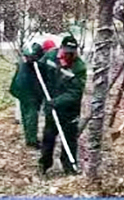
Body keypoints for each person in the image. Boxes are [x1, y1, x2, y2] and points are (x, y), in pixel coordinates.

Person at [37, 35, 86, 175]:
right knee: (48, 137)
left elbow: (75, 92)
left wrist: (57, 102)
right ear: (61, 48)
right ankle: (44, 165)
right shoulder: (51, 56)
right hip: (51, 108)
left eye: (72, 51)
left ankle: (69, 167)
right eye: (66, 51)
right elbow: (39, 67)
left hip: (69, 110)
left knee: (69, 140)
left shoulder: (79, 67)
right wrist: (33, 58)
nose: (69, 54)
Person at [10, 40, 56, 148]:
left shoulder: (38, 58)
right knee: (31, 114)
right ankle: (31, 140)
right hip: (27, 89)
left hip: (22, 87)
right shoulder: (36, 55)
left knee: (26, 113)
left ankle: (29, 136)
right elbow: (29, 54)